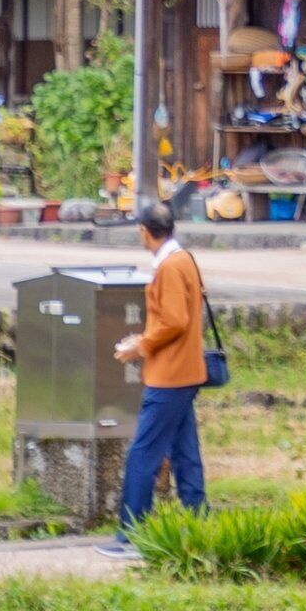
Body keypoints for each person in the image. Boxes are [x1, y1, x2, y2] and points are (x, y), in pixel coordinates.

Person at [100, 197, 210, 554]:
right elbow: (177, 319)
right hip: (186, 370)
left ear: (144, 232)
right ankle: (200, 526)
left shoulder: (169, 267)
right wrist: (145, 339)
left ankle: (133, 534)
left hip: (170, 376)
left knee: (143, 454)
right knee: (184, 453)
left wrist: (141, 345)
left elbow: (175, 320)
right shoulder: (184, 260)